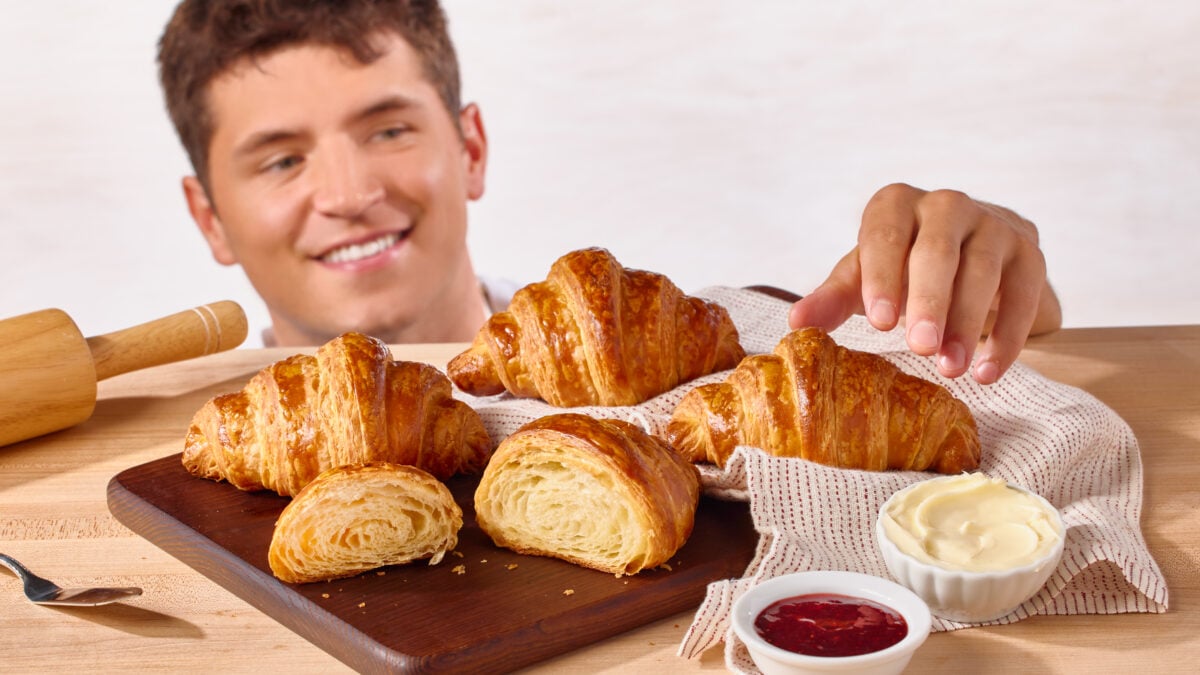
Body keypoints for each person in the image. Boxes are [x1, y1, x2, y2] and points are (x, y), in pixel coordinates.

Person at [158, 0, 1060, 385]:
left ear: (470, 148)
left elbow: (990, 372)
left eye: (389, 130)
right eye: (280, 160)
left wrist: (990, 284)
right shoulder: (157, 444)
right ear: (210, 219)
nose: (349, 193)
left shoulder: (691, 358)